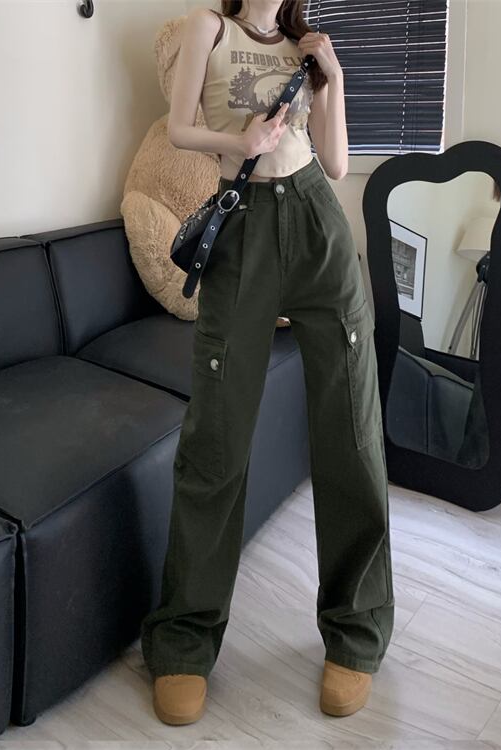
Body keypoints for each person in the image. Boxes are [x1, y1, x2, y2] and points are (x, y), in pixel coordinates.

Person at [141, 0, 394, 725]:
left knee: (352, 432)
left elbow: (337, 163)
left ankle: (355, 630)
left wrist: (334, 77)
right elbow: (179, 127)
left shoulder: (305, 45)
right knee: (215, 436)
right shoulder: (208, 28)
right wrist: (238, 137)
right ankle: (184, 638)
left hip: (316, 221)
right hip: (244, 225)